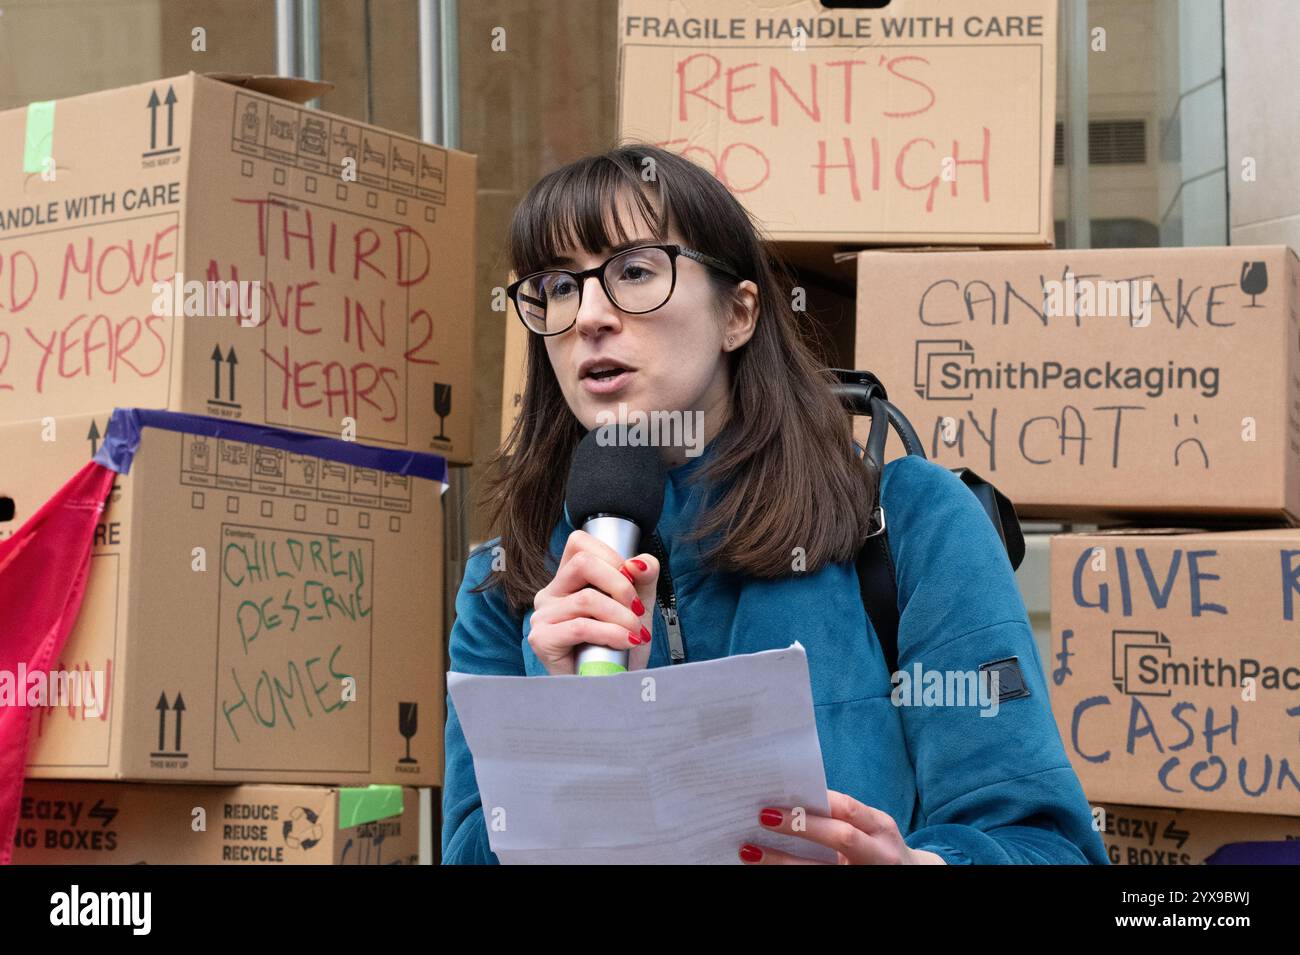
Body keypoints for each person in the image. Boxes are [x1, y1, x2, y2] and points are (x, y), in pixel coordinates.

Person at [441, 143, 1108, 865]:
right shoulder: (506, 588)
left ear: (739, 313)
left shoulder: (912, 526)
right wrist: (565, 720)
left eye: (633, 271)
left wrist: (919, 865)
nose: (589, 315)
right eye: (557, 287)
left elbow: (1049, 847)